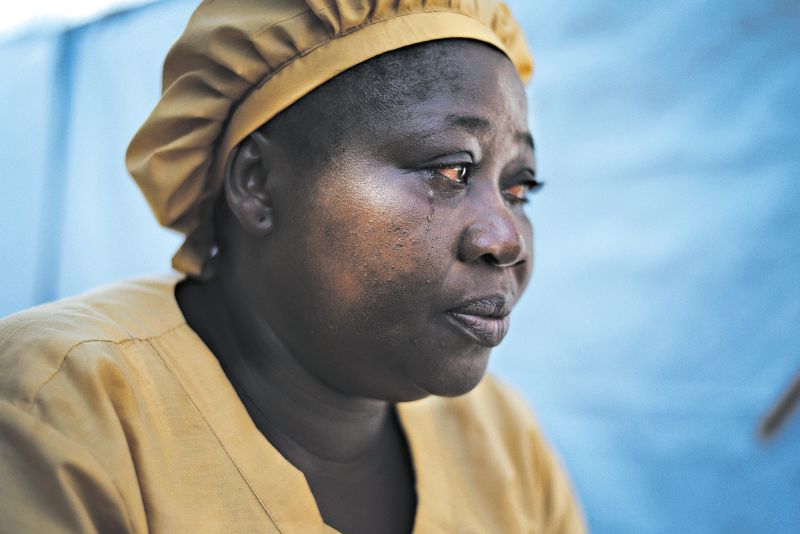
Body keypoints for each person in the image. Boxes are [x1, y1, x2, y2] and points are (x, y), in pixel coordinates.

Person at [0, 1, 586, 532]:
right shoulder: (60, 407)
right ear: (258, 184)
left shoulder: (503, 442)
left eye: (519, 187)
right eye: (450, 169)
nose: (507, 239)